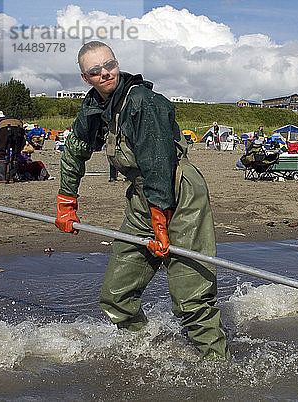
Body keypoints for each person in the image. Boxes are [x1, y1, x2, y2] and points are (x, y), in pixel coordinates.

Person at [54, 41, 229, 360]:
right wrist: (67, 201)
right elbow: (75, 151)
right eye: (96, 71)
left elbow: (158, 163)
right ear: (85, 77)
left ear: (117, 64)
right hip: (141, 197)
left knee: (192, 302)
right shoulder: (94, 105)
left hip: (178, 190)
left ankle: (219, 369)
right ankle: (150, 352)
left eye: (110, 65)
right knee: (115, 297)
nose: (105, 73)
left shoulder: (143, 103)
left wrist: (160, 223)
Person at [0, 112, 26, 183]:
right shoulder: (15, 120)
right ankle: (12, 177)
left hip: (4, 130)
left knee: (1, 152)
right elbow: (23, 138)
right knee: (15, 153)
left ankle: (2, 177)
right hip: (19, 129)